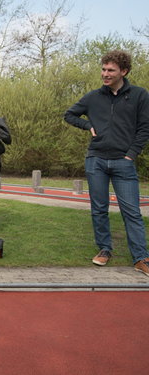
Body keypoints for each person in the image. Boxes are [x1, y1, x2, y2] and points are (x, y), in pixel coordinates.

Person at [64, 50, 149, 275]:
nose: (105, 73)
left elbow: (144, 128)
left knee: (131, 211)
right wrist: (87, 126)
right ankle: (104, 249)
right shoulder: (93, 97)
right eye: (103, 69)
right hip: (96, 160)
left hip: (124, 162)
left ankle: (141, 258)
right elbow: (69, 115)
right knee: (99, 209)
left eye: (110, 70)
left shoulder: (140, 95)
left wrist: (131, 153)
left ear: (124, 71)